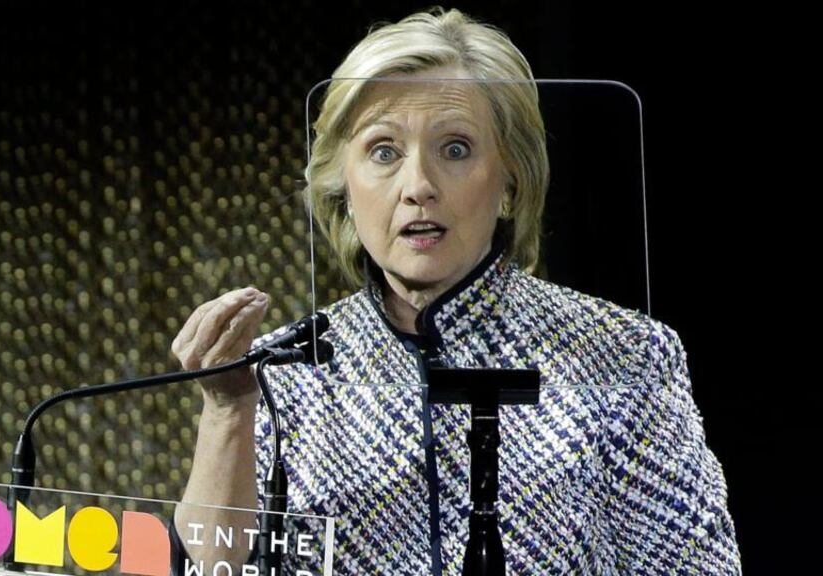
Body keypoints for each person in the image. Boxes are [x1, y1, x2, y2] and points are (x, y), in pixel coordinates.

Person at [171, 8, 740, 575]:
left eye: (456, 149)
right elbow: (211, 567)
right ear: (341, 185)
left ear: (511, 184)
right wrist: (228, 409)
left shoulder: (622, 353)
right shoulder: (280, 372)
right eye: (384, 151)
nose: (418, 187)